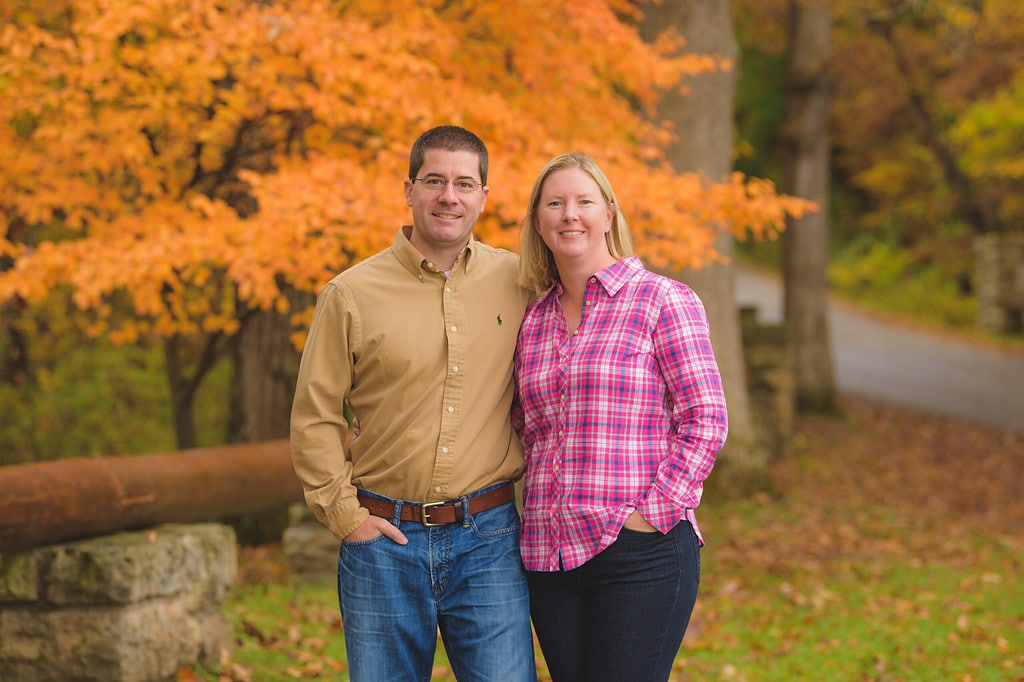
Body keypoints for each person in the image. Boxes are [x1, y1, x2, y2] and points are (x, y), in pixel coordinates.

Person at [290, 125, 536, 681]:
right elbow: (315, 415)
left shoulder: (519, 280)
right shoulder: (350, 295)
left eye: (464, 183)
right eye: (434, 181)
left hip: (489, 538)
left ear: (483, 197)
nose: (449, 195)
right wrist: (344, 516)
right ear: (408, 190)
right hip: (382, 541)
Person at [511, 152, 729, 682]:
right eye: (555, 203)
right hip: (549, 554)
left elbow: (706, 418)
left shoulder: (662, 300)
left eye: (584, 201)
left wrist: (651, 515)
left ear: (608, 214)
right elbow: (520, 424)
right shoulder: (532, 320)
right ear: (538, 221)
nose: (570, 214)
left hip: (640, 551)